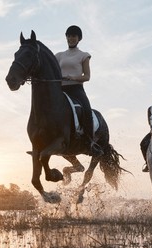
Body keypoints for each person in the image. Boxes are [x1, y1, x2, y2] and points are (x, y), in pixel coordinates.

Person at [55, 25, 103, 156]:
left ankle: (89, 142)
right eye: (69, 36)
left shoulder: (84, 55)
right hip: (60, 89)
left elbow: (87, 76)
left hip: (76, 89)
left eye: (74, 36)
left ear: (79, 38)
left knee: (86, 109)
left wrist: (72, 78)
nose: (71, 38)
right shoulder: (59, 55)